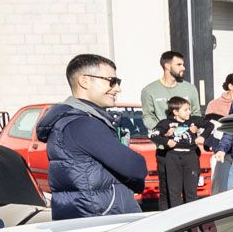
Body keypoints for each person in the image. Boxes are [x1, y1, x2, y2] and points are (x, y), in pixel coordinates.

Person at [37, 53, 147, 219]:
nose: (117, 88)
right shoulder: (83, 124)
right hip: (100, 222)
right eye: (111, 81)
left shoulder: (69, 121)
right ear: (84, 81)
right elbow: (136, 168)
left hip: (86, 218)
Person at [148, 96, 201, 209]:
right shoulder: (166, 123)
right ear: (175, 111)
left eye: (189, 109)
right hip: (171, 156)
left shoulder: (192, 121)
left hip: (190, 156)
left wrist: (203, 137)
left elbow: (208, 124)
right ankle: (174, 220)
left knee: (191, 192)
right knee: (171, 192)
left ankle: (192, 220)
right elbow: (152, 134)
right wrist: (166, 140)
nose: (189, 112)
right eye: (185, 110)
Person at [140, 50, 198, 130]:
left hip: (187, 138)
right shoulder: (149, 91)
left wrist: (195, 127)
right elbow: (148, 117)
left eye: (183, 64)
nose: (183, 68)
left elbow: (196, 113)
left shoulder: (190, 88)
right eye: (179, 64)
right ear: (167, 66)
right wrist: (162, 130)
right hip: (163, 138)